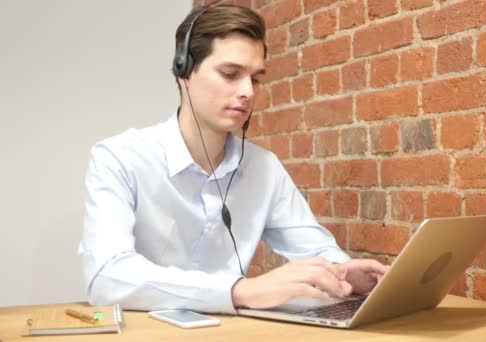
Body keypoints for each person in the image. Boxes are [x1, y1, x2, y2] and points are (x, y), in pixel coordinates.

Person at [78, 4, 388, 315]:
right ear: (184, 70)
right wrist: (242, 290)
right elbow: (107, 277)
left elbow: (314, 246)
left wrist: (340, 272)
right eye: (230, 74)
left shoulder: (263, 167)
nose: (247, 92)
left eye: (255, 79)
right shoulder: (119, 158)